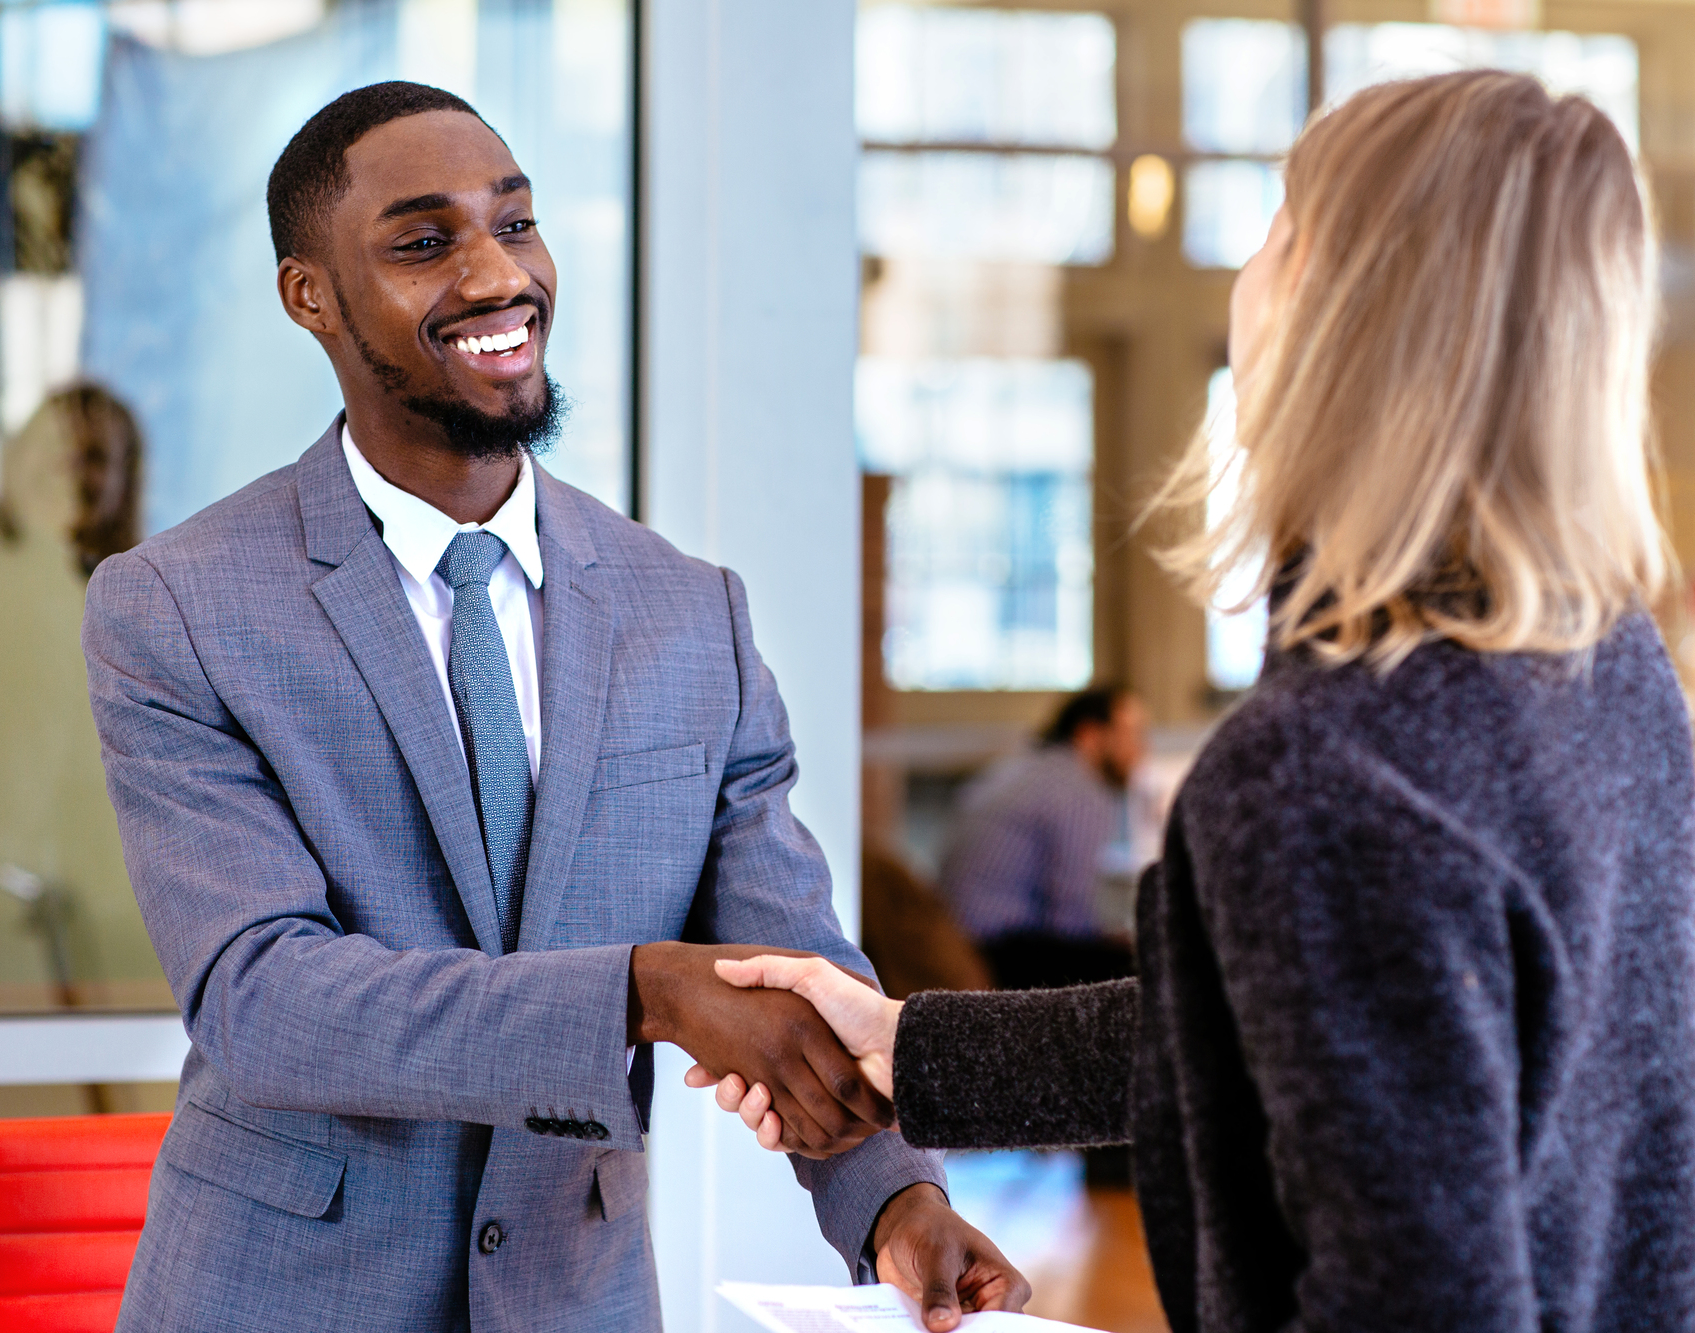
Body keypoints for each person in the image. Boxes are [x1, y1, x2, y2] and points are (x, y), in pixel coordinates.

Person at [695, 71, 1695, 1333]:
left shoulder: (1318, 774)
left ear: (1342, 314)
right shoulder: (1610, 671)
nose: (1248, 271)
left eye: (1276, 225)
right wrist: (912, 1049)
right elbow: (1302, 1035)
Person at [82, 82, 1025, 1331]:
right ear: (309, 294)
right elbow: (265, 1000)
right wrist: (637, 988)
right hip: (278, 1295)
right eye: (424, 242)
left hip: (573, 1299)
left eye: (514, 224)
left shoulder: (694, 615)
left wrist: (891, 1202)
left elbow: (786, 964)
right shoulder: (177, 605)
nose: (493, 275)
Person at [937, 685, 1146, 989]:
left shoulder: (1021, 769)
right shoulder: (1078, 789)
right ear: (1090, 735)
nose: (1141, 750)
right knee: (1140, 972)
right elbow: (1070, 917)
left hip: (956, 940)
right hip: (999, 950)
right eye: (1132, 734)